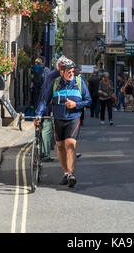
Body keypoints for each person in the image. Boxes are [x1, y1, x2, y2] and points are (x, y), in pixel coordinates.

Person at [35, 55, 91, 188]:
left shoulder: (79, 83)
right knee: (60, 146)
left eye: (72, 70)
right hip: (58, 119)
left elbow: (88, 100)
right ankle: (65, 173)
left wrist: (75, 105)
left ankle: (71, 174)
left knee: (70, 144)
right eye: (68, 71)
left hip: (74, 118)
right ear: (61, 72)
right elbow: (44, 100)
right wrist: (38, 115)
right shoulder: (55, 84)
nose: (71, 72)